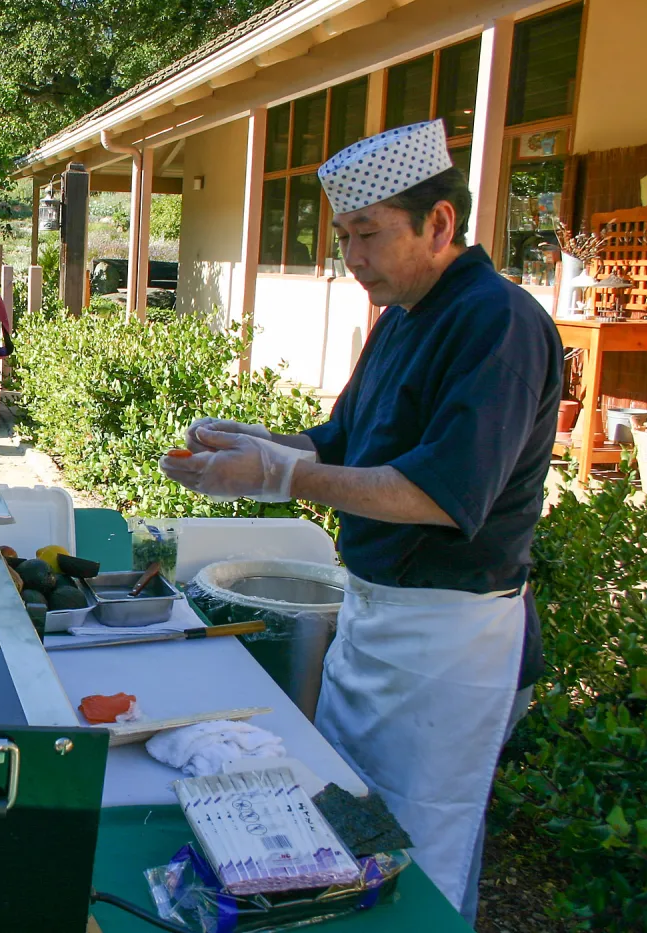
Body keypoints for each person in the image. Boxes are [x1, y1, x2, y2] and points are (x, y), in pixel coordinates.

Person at [158, 121, 562, 924]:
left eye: (368, 234)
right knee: (350, 825)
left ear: (440, 223)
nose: (351, 258)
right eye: (343, 236)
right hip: (374, 619)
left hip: (451, 638)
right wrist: (250, 445)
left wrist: (281, 474)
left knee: (421, 850)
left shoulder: (499, 323)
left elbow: (442, 493)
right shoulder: (405, 314)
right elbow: (340, 443)